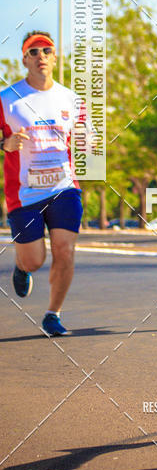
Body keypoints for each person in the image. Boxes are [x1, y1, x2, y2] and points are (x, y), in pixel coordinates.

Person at [0, 32, 87, 337]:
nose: (40, 56)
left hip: (64, 187)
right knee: (35, 259)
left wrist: (88, 143)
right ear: (24, 59)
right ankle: (22, 267)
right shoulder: (7, 98)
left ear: (54, 56)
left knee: (65, 250)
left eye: (46, 50)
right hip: (24, 193)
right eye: (33, 51)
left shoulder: (72, 99)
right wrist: (5, 143)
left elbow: (86, 142)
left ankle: (53, 314)